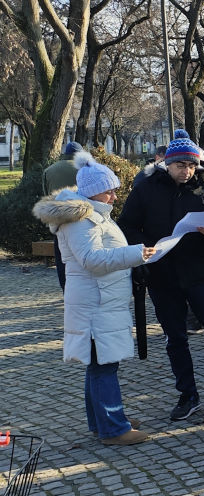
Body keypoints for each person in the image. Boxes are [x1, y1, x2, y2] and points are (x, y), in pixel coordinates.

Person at [118, 129, 204, 420]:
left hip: (201, 273)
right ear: (167, 164)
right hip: (162, 273)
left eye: (192, 165)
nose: (187, 171)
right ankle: (188, 395)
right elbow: (127, 226)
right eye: (181, 165)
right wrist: (143, 249)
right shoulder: (146, 188)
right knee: (175, 338)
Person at [33, 152, 156, 445]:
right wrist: (135, 254)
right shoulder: (81, 219)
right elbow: (91, 259)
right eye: (109, 190)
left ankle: (105, 419)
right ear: (91, 191)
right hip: (95, 303)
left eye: (115, 189)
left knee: (99, 363)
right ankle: (113, 428)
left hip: (100, 301)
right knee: (104, 364)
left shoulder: (93, 213)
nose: (114, 196)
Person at [42, 141, 84, 290]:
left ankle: (65, 287)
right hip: (82, 217)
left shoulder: (49, 170)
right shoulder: (86, 168)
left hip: (58, 219)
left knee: (61, 257)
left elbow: (46, 194)